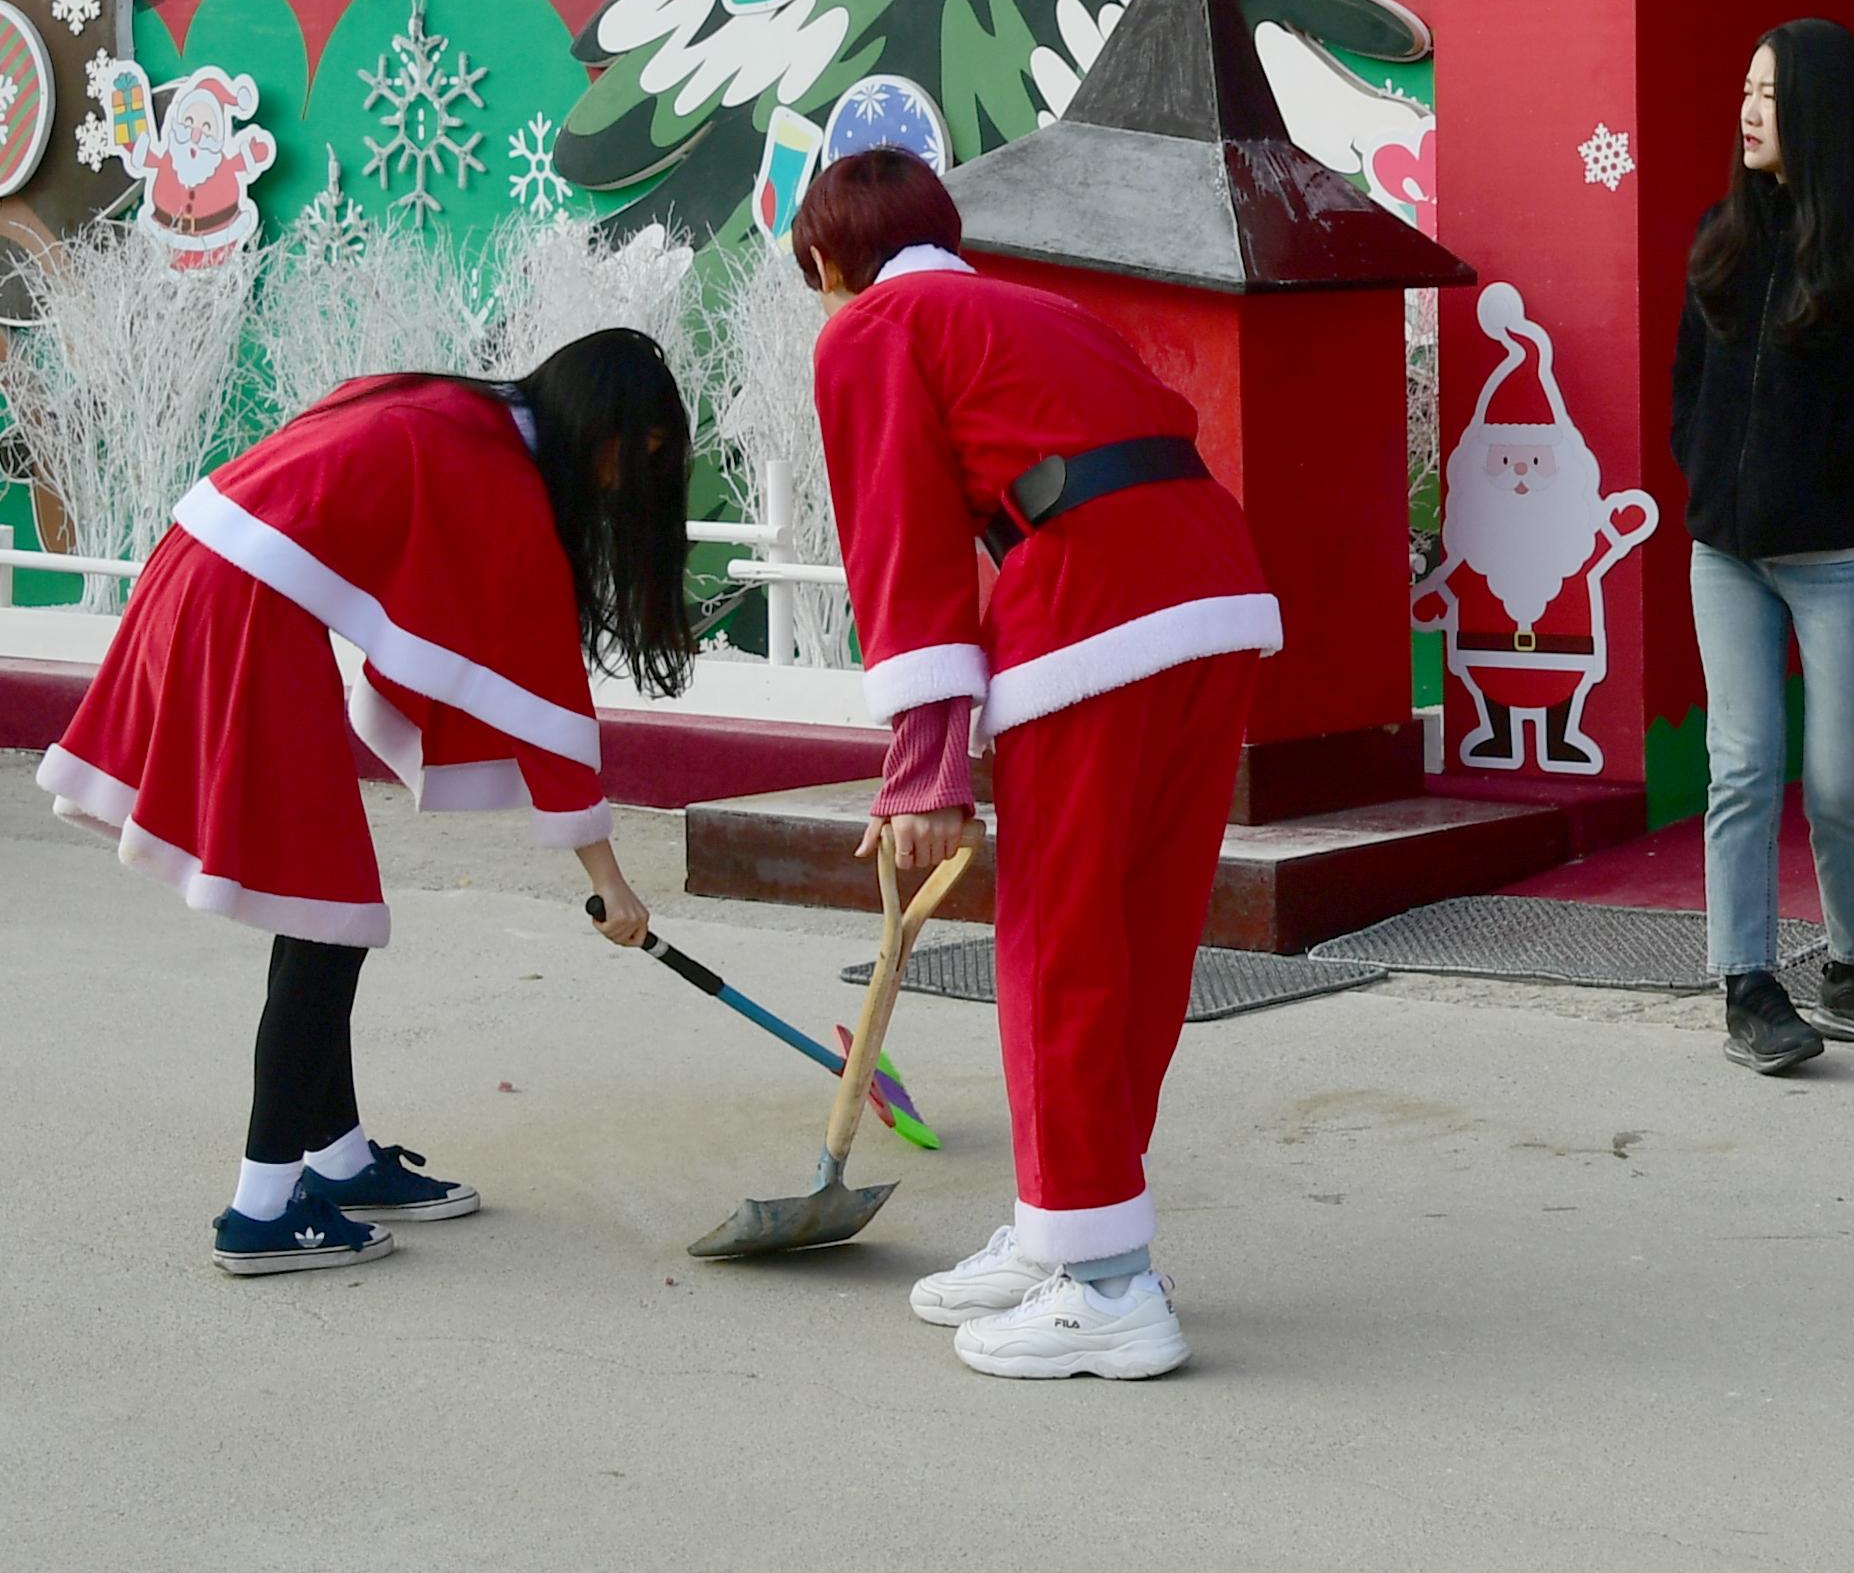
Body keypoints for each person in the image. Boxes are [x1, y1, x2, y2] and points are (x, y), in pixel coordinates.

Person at [38, 334, 697, 1276]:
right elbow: (546, 695)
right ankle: (262, 1208)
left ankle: (337, 1160)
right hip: (242, 607)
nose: (629, 479)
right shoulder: (499, 476)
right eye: (643, 453)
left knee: (328, 907)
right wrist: (611, 883)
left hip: (208, 574)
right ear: (607, 427)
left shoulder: (453, 411)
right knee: (326, 913)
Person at [798, 149, 1281, 1382]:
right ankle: (1067, 1225)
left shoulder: (872, 325)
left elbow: (900, 545)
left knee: (1057, 940)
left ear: (825, 260)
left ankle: (1110, 1285)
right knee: (1138, 927)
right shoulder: (1036, 306)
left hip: (1093, 608)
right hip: (1217, 590)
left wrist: (922, 771)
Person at [1672, 19, 1854, 1072]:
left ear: (1818, 108)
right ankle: (1747, 984)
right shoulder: (1722, 229)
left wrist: (1851, 449)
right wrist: (1706, 469)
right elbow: (1688, 389)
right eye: (1745, 88)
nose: (1749, 109)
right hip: (1727, 555)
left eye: (1770, 92)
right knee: (1743, 766)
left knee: (1839, 780)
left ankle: (1852, 964)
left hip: (1841, 557)